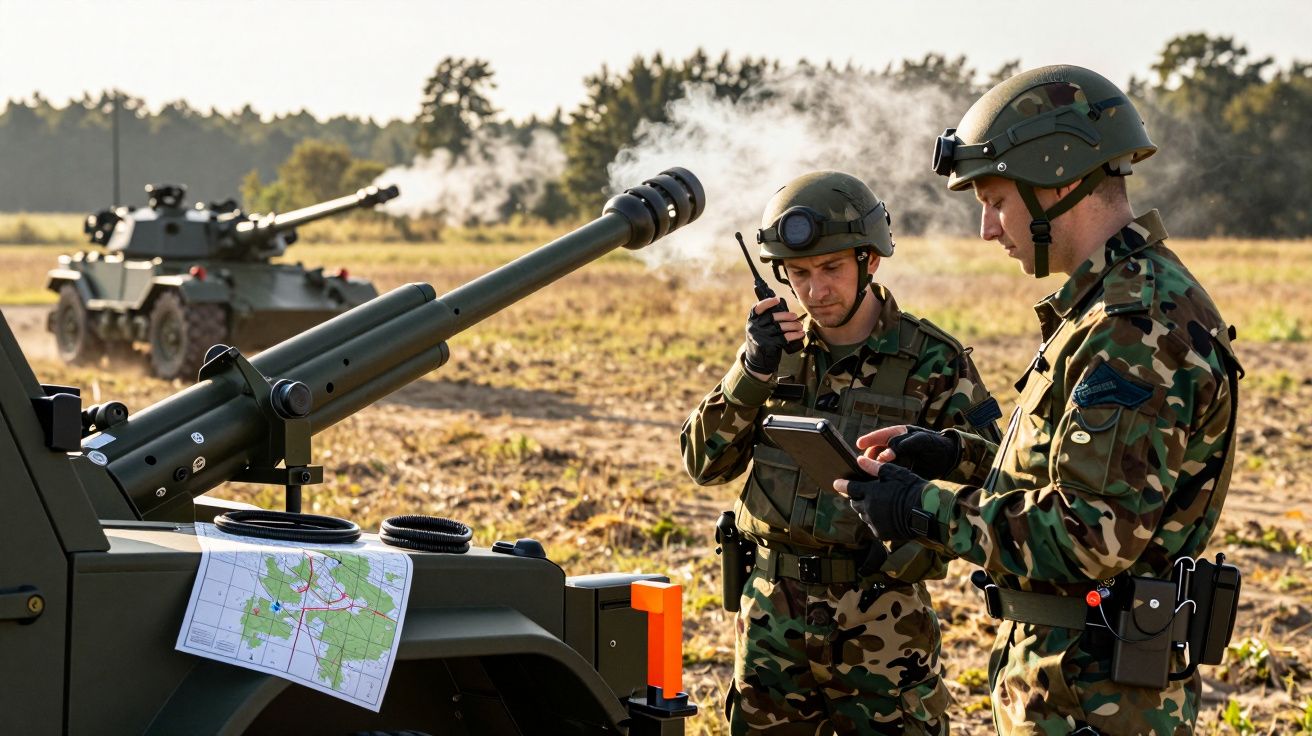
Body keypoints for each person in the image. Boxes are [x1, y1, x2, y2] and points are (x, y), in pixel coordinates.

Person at [834, 66, 1243, 735]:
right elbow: (1081, 475)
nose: (989, 230)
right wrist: (957, 457)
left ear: (1057, 180)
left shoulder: (1130, 327)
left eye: (995, 201)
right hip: (1077, 683)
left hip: (1093, 696)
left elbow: (1088, 536)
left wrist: (921, 508)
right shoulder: (1112, 308)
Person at [682, 170, 1003, 735]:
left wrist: (939, 460)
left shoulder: (933, 360)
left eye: (831, 269)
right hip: (770, 629)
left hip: (882, 626)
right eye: (799, 274)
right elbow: (703, 463)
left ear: (870, 260)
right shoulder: (774, 353)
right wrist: (751, 371)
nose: (815, 291)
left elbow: (998, 473)